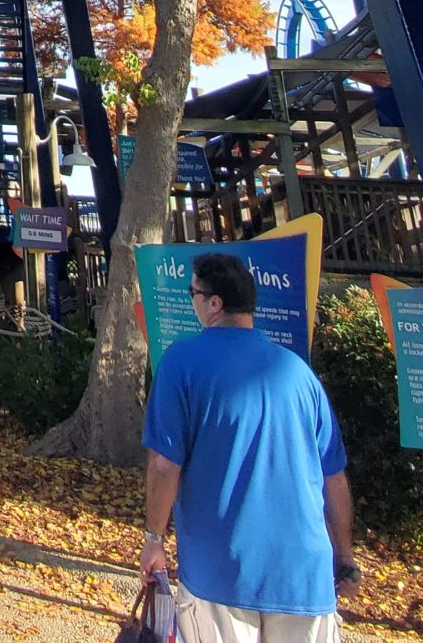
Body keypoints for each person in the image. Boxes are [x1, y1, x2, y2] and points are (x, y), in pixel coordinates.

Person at [138, 251, 356, 642]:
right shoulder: (300, 375)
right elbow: (333, 477)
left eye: (193, 293)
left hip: (221, 572)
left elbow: (165, 465)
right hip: (305, 575)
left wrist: (154, 539)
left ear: (214, 304)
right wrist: (344, 558)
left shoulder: (181, 363)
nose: (192, 301)